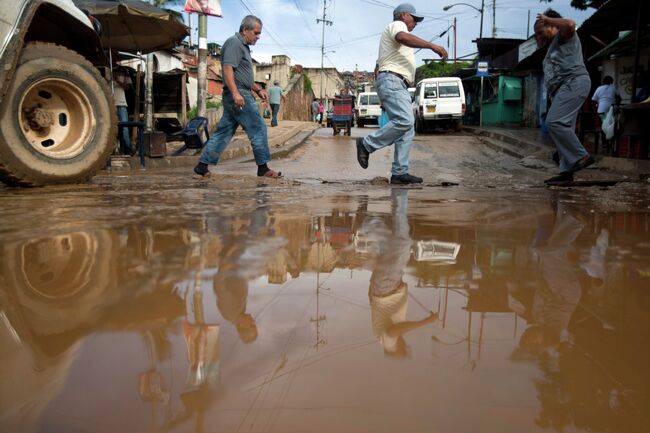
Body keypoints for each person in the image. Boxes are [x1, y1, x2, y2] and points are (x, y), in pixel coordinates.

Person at [355, 3, 447, 185]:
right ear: (404, 15)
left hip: (398, 84)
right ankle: (366, 144)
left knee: (407, 129)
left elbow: (378, 65)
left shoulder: (394, 42)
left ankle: (399, 172)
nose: (415, 23)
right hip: (393, 81)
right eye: (414, 19)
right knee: (405, 121)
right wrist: (431, 46)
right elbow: (403, 37)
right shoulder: (398, 26)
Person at [193, 15, 281, 178]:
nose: (258, 37)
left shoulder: (244, 47)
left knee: (224, 132)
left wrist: (257, 89)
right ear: (245, 30)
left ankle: (202, 166)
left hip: (240, 92)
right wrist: (235, 93)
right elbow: (227, 69)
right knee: (258, 128)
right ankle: (263, 168)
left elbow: (243, 76)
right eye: (256, 33)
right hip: (238, 94)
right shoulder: (234, 43)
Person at [534, 9, 593, 185]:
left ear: (552, 27)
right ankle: (566, 171)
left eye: (540, 32)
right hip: (562, 90)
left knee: (554, 122)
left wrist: (547, 18)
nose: (538, 37)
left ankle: (581, 156)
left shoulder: (565, 36)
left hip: (574, 83)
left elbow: (569, 24)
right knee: (563, 128)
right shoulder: (552, 46)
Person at [112, 62, 134, 156]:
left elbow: (127, 87)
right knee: (112, 128)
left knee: (124, 127)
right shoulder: (106, 69)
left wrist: (117, 80)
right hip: (110, 103)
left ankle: (127, 149)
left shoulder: (124, 71)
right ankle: (113, 150)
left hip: (121, 103)